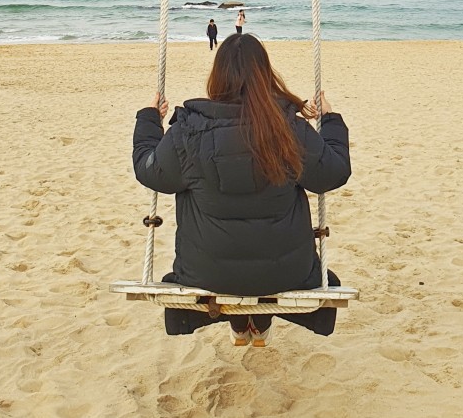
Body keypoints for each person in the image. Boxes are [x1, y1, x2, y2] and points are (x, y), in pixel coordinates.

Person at [132, 33, 351, 345]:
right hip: (288, 273)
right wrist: (329, 120)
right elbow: (333, 172)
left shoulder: (189, 132)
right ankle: (257, 326)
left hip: (205, 273)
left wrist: (149, 120)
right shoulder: (289, 129)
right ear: (265, 75)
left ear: (217, 76)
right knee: (260, 268)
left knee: (233, 265)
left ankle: (242, 324)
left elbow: (150, 171)